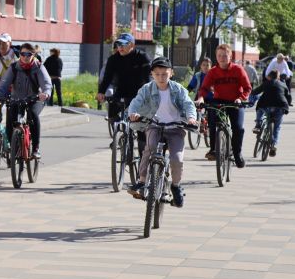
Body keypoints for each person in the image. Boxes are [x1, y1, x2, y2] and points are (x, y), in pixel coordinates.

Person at [127, 57, 197, 207]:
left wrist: (191, 118)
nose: (161, 77)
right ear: (152, 74)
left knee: (177, 159)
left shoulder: (178, 89)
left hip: (175, 128)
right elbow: (136, 102)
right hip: (154, 125)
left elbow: (188, 104)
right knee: (150, 148)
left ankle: (176, 186)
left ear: (171, 73)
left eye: (164, 74)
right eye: (157, 74)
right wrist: (133, 113)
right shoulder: (147, 89)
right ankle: (142, 181)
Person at [196, 44, 252, 168]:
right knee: (212, 120)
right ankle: (213, 150)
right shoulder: (213, 72)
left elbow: (248, 88)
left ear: (230, 56)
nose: (222, 58)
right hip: (219, 101)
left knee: (238, 128)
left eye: (225, 55)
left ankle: (237, 153)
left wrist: (241, 98)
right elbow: (204, 88)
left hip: (235, 102)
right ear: (216, 57)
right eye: (219, 55)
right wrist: (200, 98)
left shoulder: (238, 70)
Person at [97, 33, 151, 151]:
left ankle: (143, 153)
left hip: (139, 93)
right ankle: (119, 133)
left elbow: (148, 79)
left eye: (123, 44)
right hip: (121, 91)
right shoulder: (113, 59)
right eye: (118, 44)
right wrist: (101, 92)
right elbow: (107, 78)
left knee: (140, 125)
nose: (120, 47)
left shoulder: (142, 57)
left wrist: (148, 95)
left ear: (131, 45)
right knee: (112, 107)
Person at [0, 43, 52, 158]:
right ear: (19, 54)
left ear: (33, 55)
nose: (25, 57)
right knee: (11, 116)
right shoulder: (14, 67)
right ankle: (13, 146)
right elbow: (3, 84)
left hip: (35, 99)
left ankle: (36, 148)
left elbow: (46, 83)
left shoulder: (39, 67)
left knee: (33, 114)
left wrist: (45, 93)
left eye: (29, 54)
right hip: (16, 98)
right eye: (23, 54)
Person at [251, 70, 289, 157]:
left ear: (269, 77)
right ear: (278, 77)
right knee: (277, 127)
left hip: (266, 105)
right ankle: (273, 145)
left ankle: (258, 125)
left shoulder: (266, 83)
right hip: (280, 106)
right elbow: (288, 96)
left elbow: (256, 91)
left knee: (259, 109)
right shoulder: (283, 84)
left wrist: (251, 93)